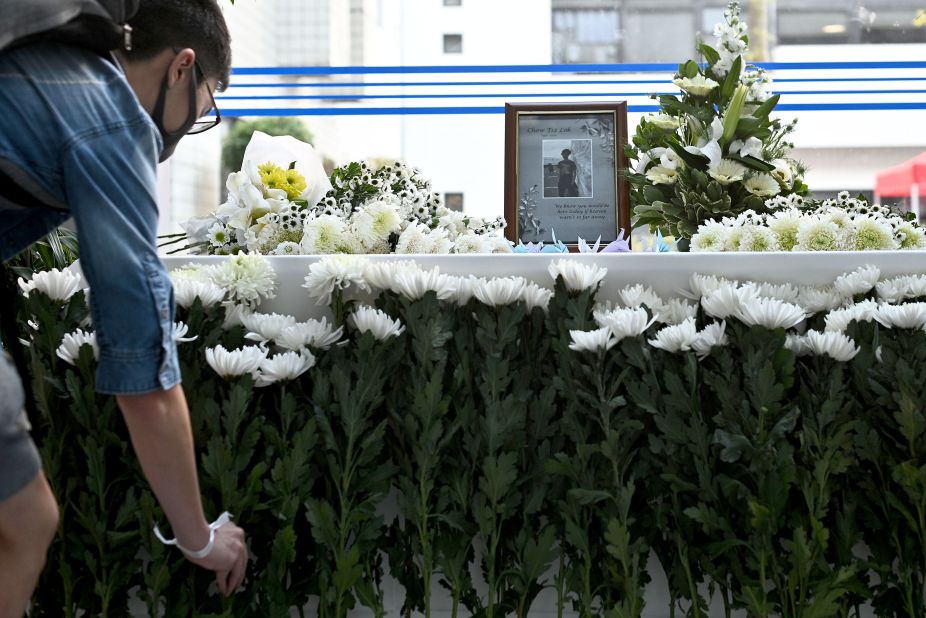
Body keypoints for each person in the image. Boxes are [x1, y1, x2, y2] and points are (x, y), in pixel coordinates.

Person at [0, 1, 248, 614]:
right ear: (181, 68)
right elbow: (144, 371)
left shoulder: (42, 64)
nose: (194, 124)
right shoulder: (111, 119)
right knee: (25, 522)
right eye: (208, 105)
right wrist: (200, 540)